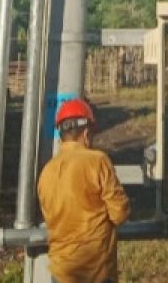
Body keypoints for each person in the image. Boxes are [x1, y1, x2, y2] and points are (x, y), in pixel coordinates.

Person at [37, 97, 131, 283]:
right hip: (96, 271)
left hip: (62, 271)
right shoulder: (97, 161)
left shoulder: (47, 171)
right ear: (86, 133)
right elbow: (119, 213)